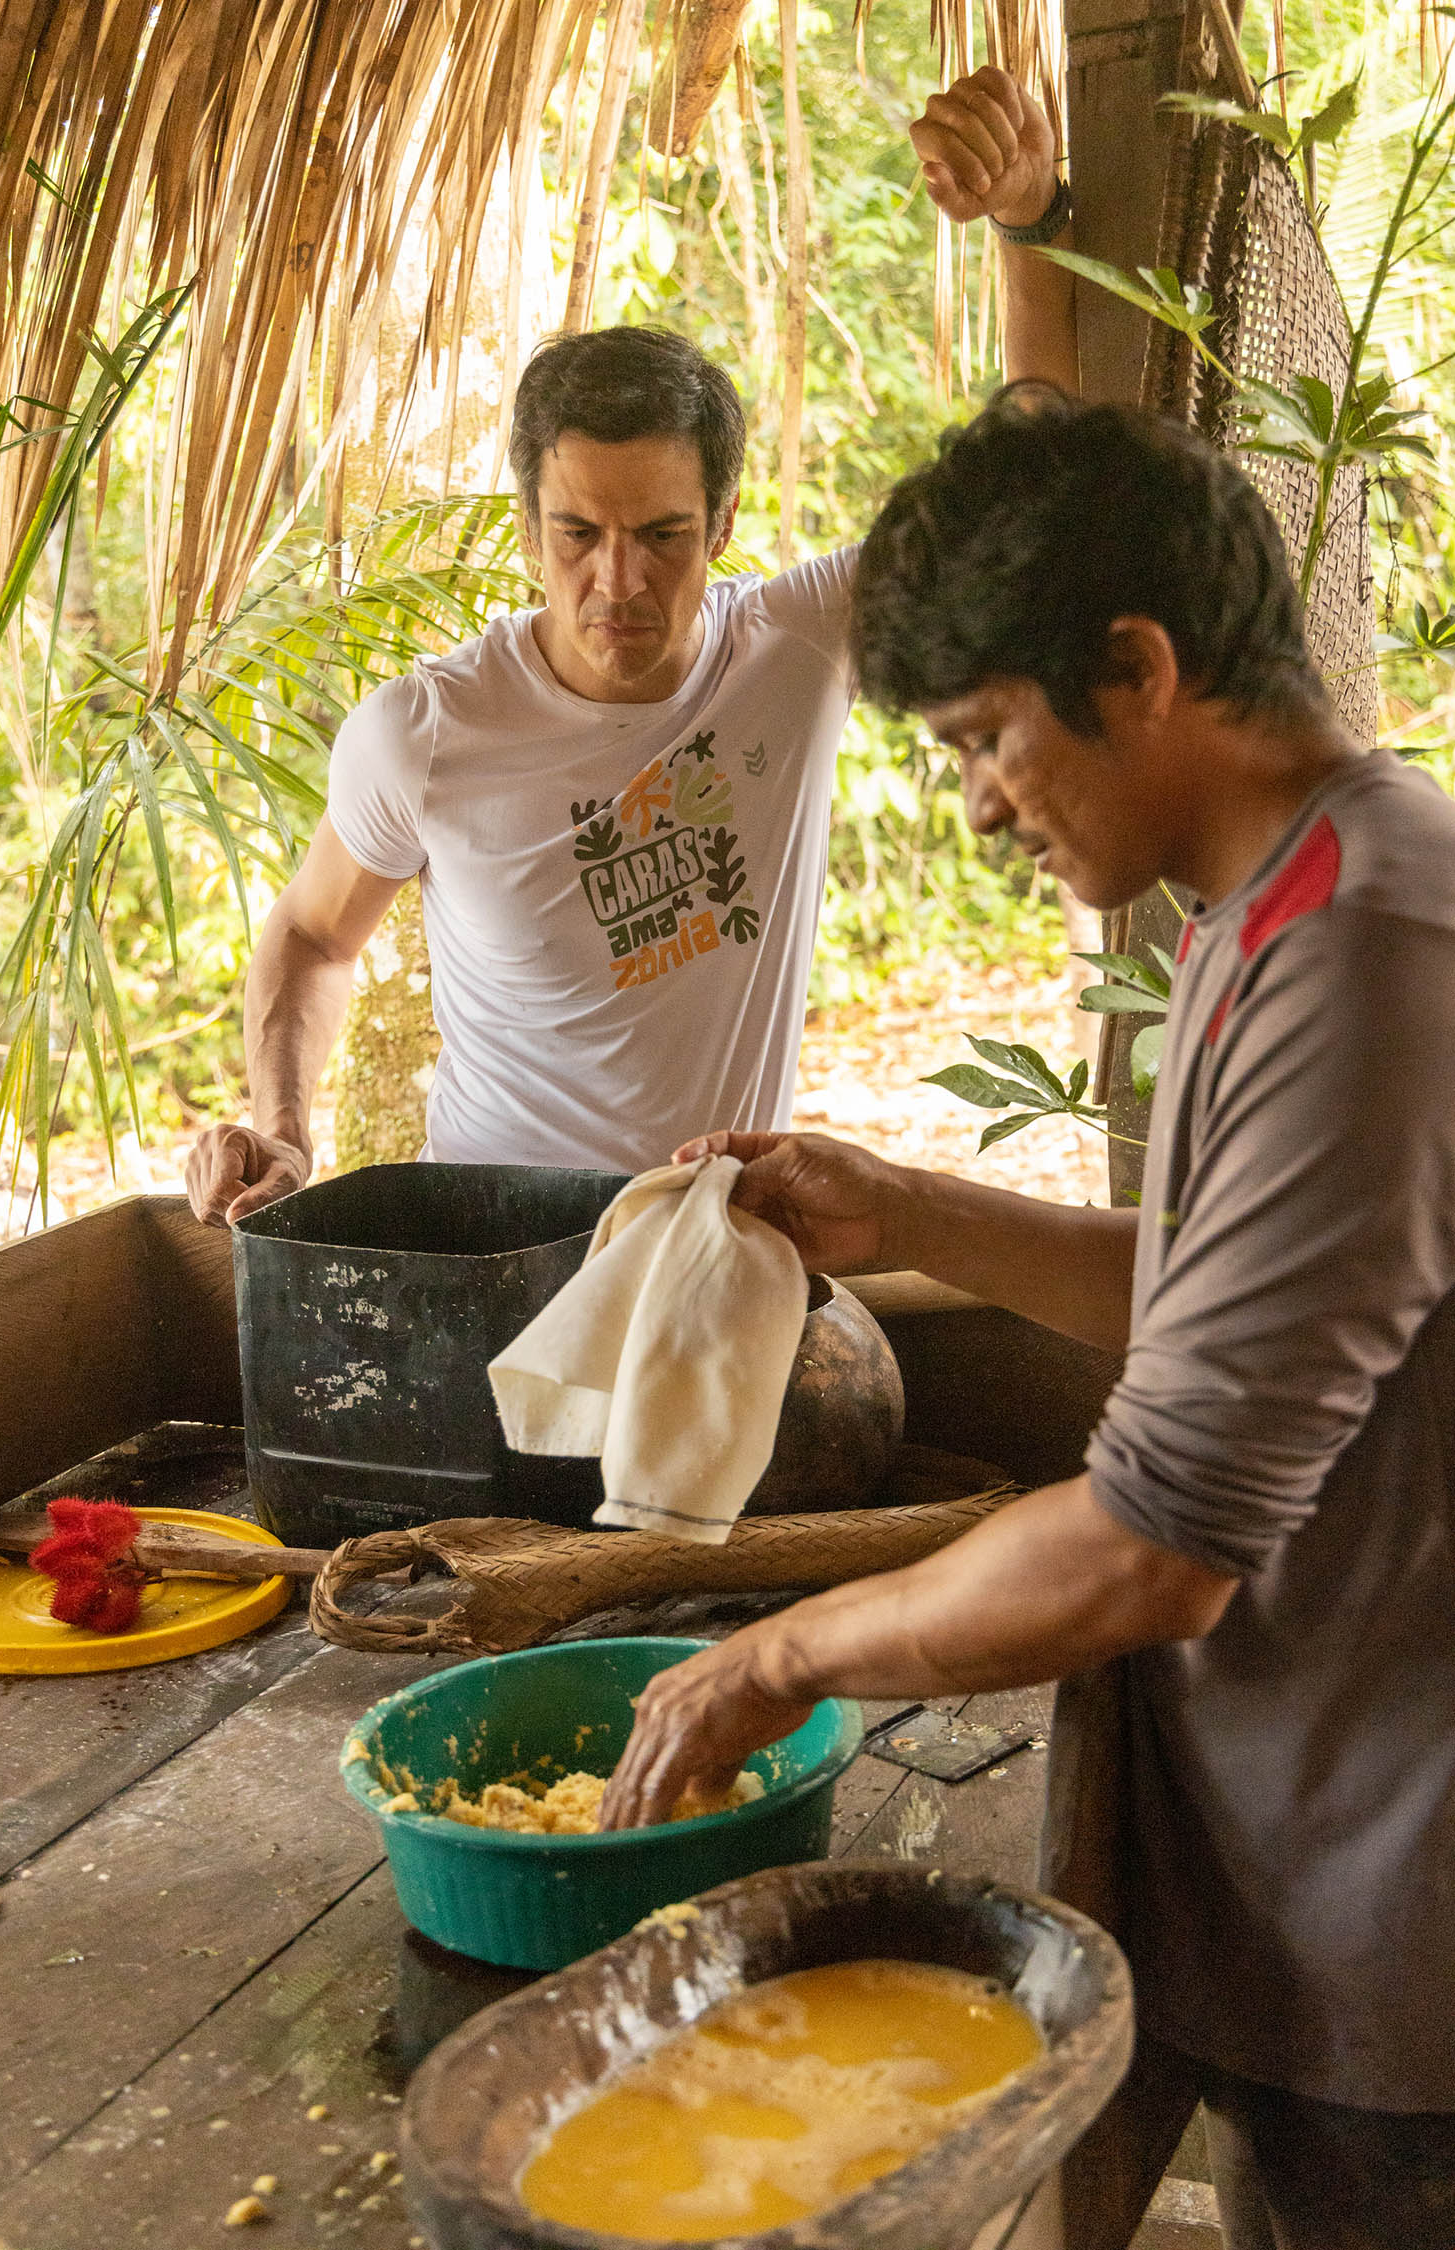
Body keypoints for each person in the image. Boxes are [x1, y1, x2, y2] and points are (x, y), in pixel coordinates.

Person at [600, 392, 1455, 2250]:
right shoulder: (1284, 895)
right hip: (1330, 1854)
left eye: (991, 735)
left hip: (1409, 1922)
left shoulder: (1368, 950)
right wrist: (909, 1213)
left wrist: (776, 1659)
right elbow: (1246, 1296)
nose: (982, 801)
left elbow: (1155, 1548)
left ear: (1136, 667)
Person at [185, 66, 1080, 1226]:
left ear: (722, 526)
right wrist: (284, 1133)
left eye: (663, 536)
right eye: (579, 535)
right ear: (528, 531)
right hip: (487, 1261)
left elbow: (1032, 481)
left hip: (706, 1245)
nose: (619, 582)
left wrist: (1027, 222)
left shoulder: (795, 648)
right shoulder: (425, 733)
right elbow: (310, 934)